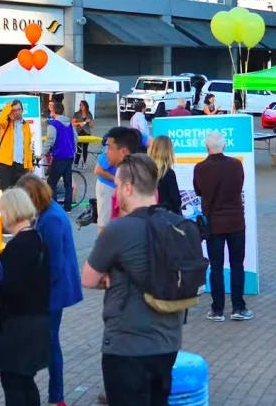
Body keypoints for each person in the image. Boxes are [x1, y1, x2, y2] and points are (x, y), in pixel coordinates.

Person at [81, 154, 182, 406]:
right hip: (168, 342)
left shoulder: (118, 230)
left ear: (128, 187)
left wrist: (111, 273)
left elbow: (88, 278)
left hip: (127, 346)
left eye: (116, 186)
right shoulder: (176, 225)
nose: (115, 192)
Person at [16, 175, 83, 406]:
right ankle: (55, 395)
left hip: (54, 289)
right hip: (52, 287)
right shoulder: (48, 212)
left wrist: (36, 290)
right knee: (48, 340)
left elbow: (54, 264)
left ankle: (57, 396)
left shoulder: (51, 218)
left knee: (50, 341)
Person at [0, 189, 51, 406]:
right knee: (26, 381)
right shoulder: (38, 239)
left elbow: (12, 288)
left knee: (13, 384)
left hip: (16, 326)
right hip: (37, 320)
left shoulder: (17, 246)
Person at [193, 131, 252, 322]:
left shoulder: (200, 168)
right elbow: (239, 186)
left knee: (216, 267)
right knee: (237, 265)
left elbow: (198, 191)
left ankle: (217, 310)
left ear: (206, 147)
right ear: (224, 146)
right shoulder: (236, 165)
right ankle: (238, 307)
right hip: (235, 222)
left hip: (214, 224)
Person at [43, 102, 78, 212]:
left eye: (51, 108)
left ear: (54, 111)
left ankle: (55, 207)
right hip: (69, 155)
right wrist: (72, 149)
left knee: (51, 182)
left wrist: (43, 153)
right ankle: (68, 207)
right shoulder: (70, 124)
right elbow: (76, 138)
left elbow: (50, 141)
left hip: (59, 157)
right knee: (68, 182)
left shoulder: (53, 125)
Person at [0, 99, 33, 190]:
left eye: (19, 109)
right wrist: (9, 106)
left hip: (21, 165)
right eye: (14, 110)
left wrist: (29, 165)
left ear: (22, 110)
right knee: (5, 192)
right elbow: (0, 120)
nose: (17, 112)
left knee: (22, 193)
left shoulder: (26, 125)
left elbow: (27, 146)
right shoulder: (6, 124)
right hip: (6, 164)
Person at [149, 136, 181, 215]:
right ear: (169, 152)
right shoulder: (168, 173)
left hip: (148, 216)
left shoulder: (145, 170)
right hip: (165, 219)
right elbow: (176, 200)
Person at [94, 133, 117, 235]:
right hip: (107, 187)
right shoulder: (109, 151)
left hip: (114, 188)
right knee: (104, 222)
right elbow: (98, 170)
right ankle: (101, 248)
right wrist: (117, 179)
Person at [72, 101, 95, 167]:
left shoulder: (89, 114)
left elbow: (91, 126)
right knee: (79, 148)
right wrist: (80, 123)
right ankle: (76, 163)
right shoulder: (76, 114)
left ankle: (84, 163)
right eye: (80, 105)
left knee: (85, 148)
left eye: (82, 105)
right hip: (79, 132)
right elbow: (72, 123)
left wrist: (90, 122)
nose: (81, 106)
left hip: (87, 132)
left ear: (86, 106)